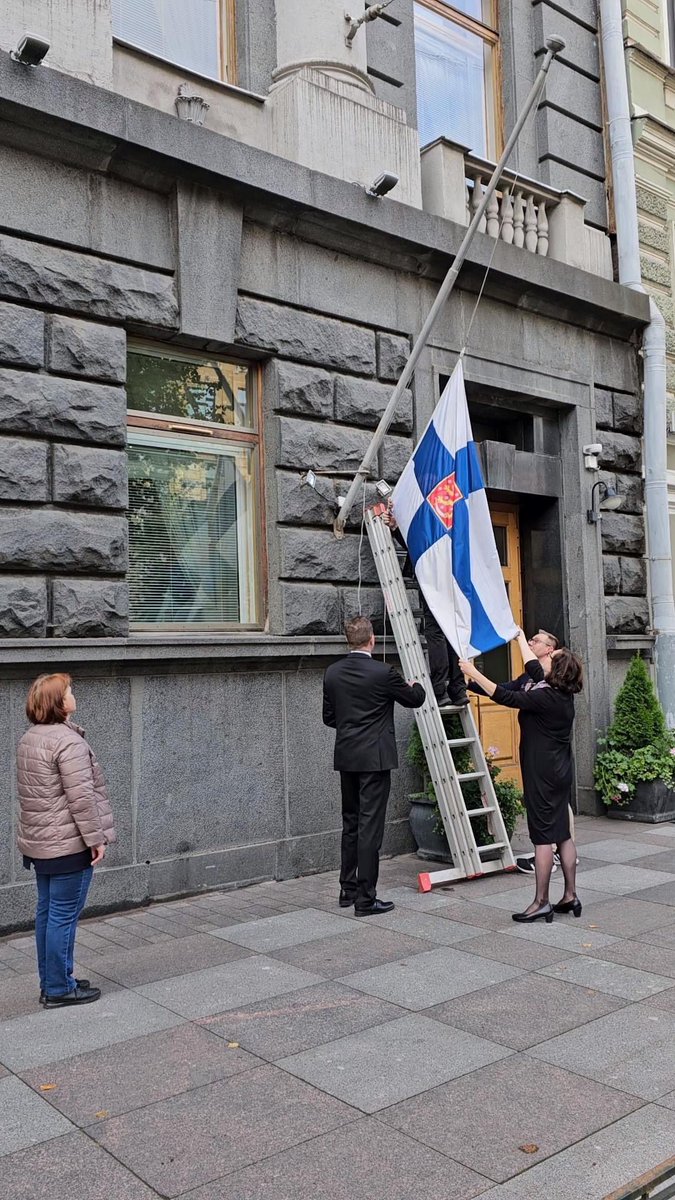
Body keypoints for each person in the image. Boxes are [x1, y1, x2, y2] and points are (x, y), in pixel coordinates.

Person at [459, 630, 583, 924]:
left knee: (542, 837)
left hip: (542, 772)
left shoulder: (545, 697)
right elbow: (526, 675)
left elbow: (506, 697)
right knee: (562, 834)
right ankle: (570, 895)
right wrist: (518, 637)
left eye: (551, 657)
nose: (544, 661)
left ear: (556, 669)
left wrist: (473, 671)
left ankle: (541, 902)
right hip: (559, 770)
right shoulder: (560, 693)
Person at [17, 673, 116, 1008]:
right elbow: (81, 799)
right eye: (69, 691)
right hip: (68, 844)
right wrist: (96, 839)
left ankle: (55, 980)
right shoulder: (67, 742)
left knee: (48, 913)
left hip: (42, 844)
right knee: (63, 915)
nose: (73, 695)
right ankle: (59, 988)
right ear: (58, 702)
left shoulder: (31, 737)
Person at [323, 615, 425, 915]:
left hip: (347, 756)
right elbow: (415, 699)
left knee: (351, 823)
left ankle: (347, 889)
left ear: (348, 641)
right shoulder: (383, 672)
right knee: (370, 828)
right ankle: (365, 899)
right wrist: (415, 683)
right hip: (375, 759)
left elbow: (329, 718)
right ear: (372, 640)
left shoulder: (332, 672)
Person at [382, 506, 469, 707]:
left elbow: (420, 542)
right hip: (457, 576)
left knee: (436, 632)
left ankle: (440, 689)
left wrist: (396, 527)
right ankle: (457, 688)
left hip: (434, 575)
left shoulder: (431, 509)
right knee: (453, 631)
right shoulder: (455, 510)